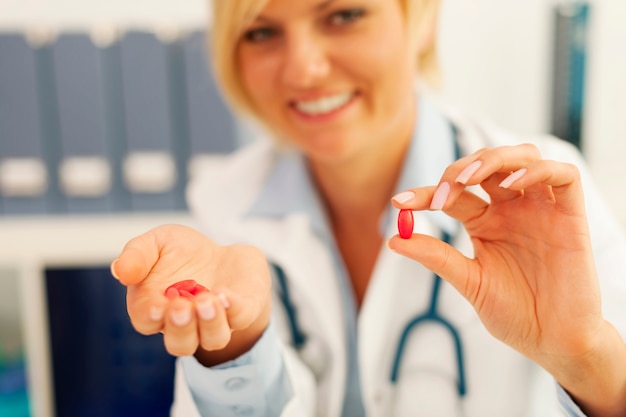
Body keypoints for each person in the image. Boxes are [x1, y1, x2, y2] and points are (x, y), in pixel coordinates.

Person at [110, 0, 626, 415]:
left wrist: (585, 361)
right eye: (262, 32)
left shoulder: (542, 198)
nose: (305, 69)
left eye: (343, 15)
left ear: (421, 19)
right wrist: (236, 348)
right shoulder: (224, 207)